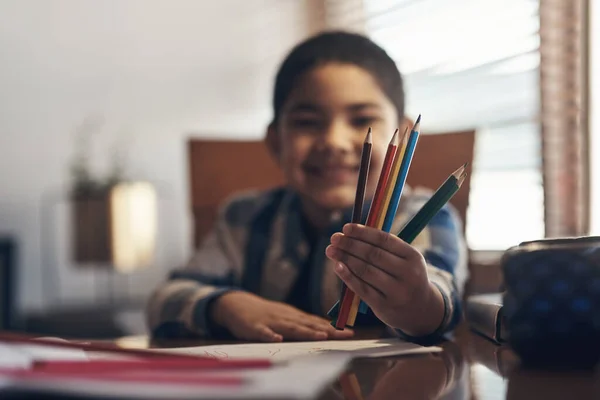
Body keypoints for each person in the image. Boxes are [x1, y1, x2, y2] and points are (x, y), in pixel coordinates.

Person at [146, 30, 467, 343]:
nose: (333, 142)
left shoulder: (426, 214)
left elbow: (442, 300)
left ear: (403, 133)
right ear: (275, 142)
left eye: (361, 120)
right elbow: (164, 301)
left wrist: (418, 302)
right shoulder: (243, 216)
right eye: (307, 122)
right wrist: (225, 306)